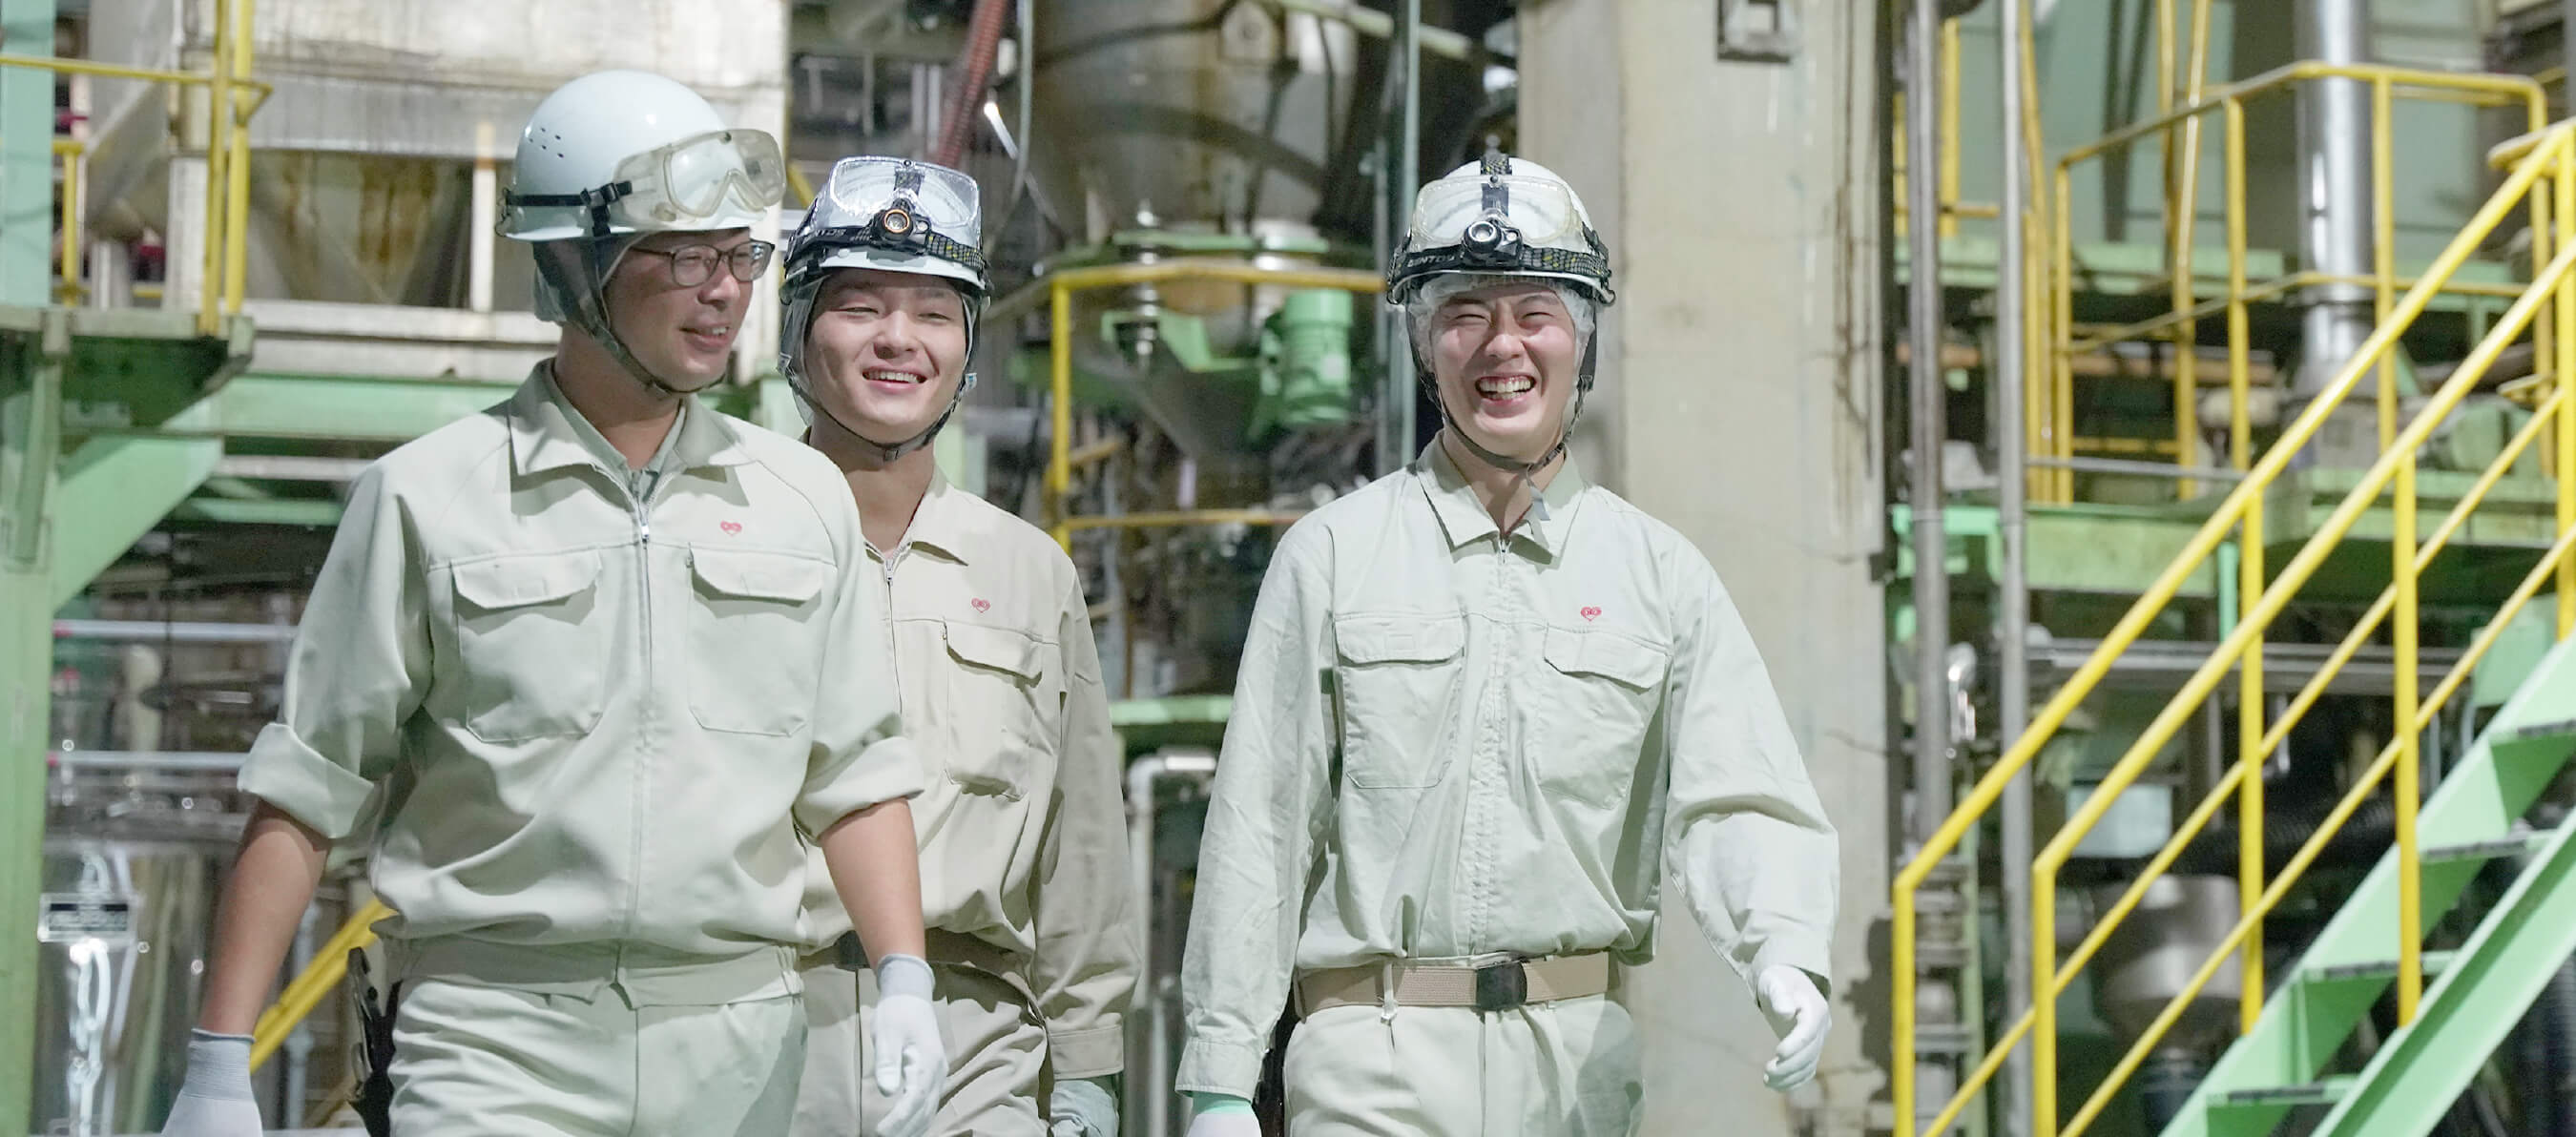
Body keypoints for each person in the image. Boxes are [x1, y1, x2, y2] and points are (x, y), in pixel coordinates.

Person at [157, 70, 947, 1137]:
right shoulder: (428, 500)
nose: (725, 290)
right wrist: (217, 1065)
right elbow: (308, 787)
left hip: (740, 1046)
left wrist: (905, 978)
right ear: (575, 262)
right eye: (686, 256)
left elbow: (857, 773)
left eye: (741, 256)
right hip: (491, 1045)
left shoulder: (799, 500)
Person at [1173, 149, 1839, 1135]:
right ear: (1424, 342)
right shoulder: (1332, 557)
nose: (1503, 345)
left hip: (1572, 1066)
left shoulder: (1660, 577)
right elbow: (1262, 826)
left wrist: (1782, 949)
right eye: (1465, 314)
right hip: (1370, 1059)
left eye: (1536, 313)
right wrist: (1223, 1078)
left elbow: (1741, 795)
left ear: (1584, 340)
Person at [777, 155, 1137, 1137]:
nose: (898, 338)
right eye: (860, 306)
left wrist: (1090, 1072)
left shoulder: (1027, 572)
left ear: (969, 346)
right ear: (799, 328)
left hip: (978, 1051)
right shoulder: (737, 544)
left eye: (934, 312)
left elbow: (1080, 843)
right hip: (764, 1035)